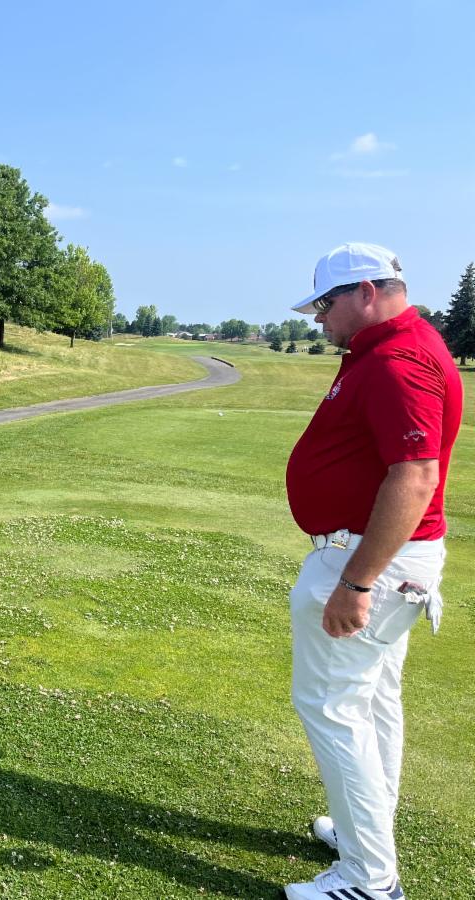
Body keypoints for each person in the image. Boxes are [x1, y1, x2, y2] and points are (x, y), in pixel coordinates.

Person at [282, 243, 462, 900]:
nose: (320, 321)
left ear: (365, 292)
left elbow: (415, 476)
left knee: (333, 707)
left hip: (368, 561)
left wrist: (356, 582)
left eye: (326, 306)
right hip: (381, 557)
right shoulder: (387, 350)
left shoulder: (399, 359)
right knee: (373, 701)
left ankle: (367, 879)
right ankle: (366, 835)